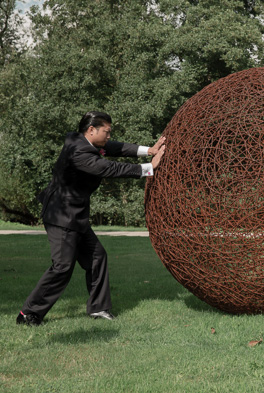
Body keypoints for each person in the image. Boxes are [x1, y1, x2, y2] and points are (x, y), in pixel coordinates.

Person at [16, 111, 166, 326]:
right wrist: (149, 167)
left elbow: (113, 147)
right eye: (106, 131)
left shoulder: (83, 140)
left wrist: (147, 151)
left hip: (75, 215)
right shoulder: (79, 152)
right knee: (62, 267)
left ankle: (99, 309)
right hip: (62, 216)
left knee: (97, 257)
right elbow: (108, 168)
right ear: (91, 130)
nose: (108, 136)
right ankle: (28, 314)